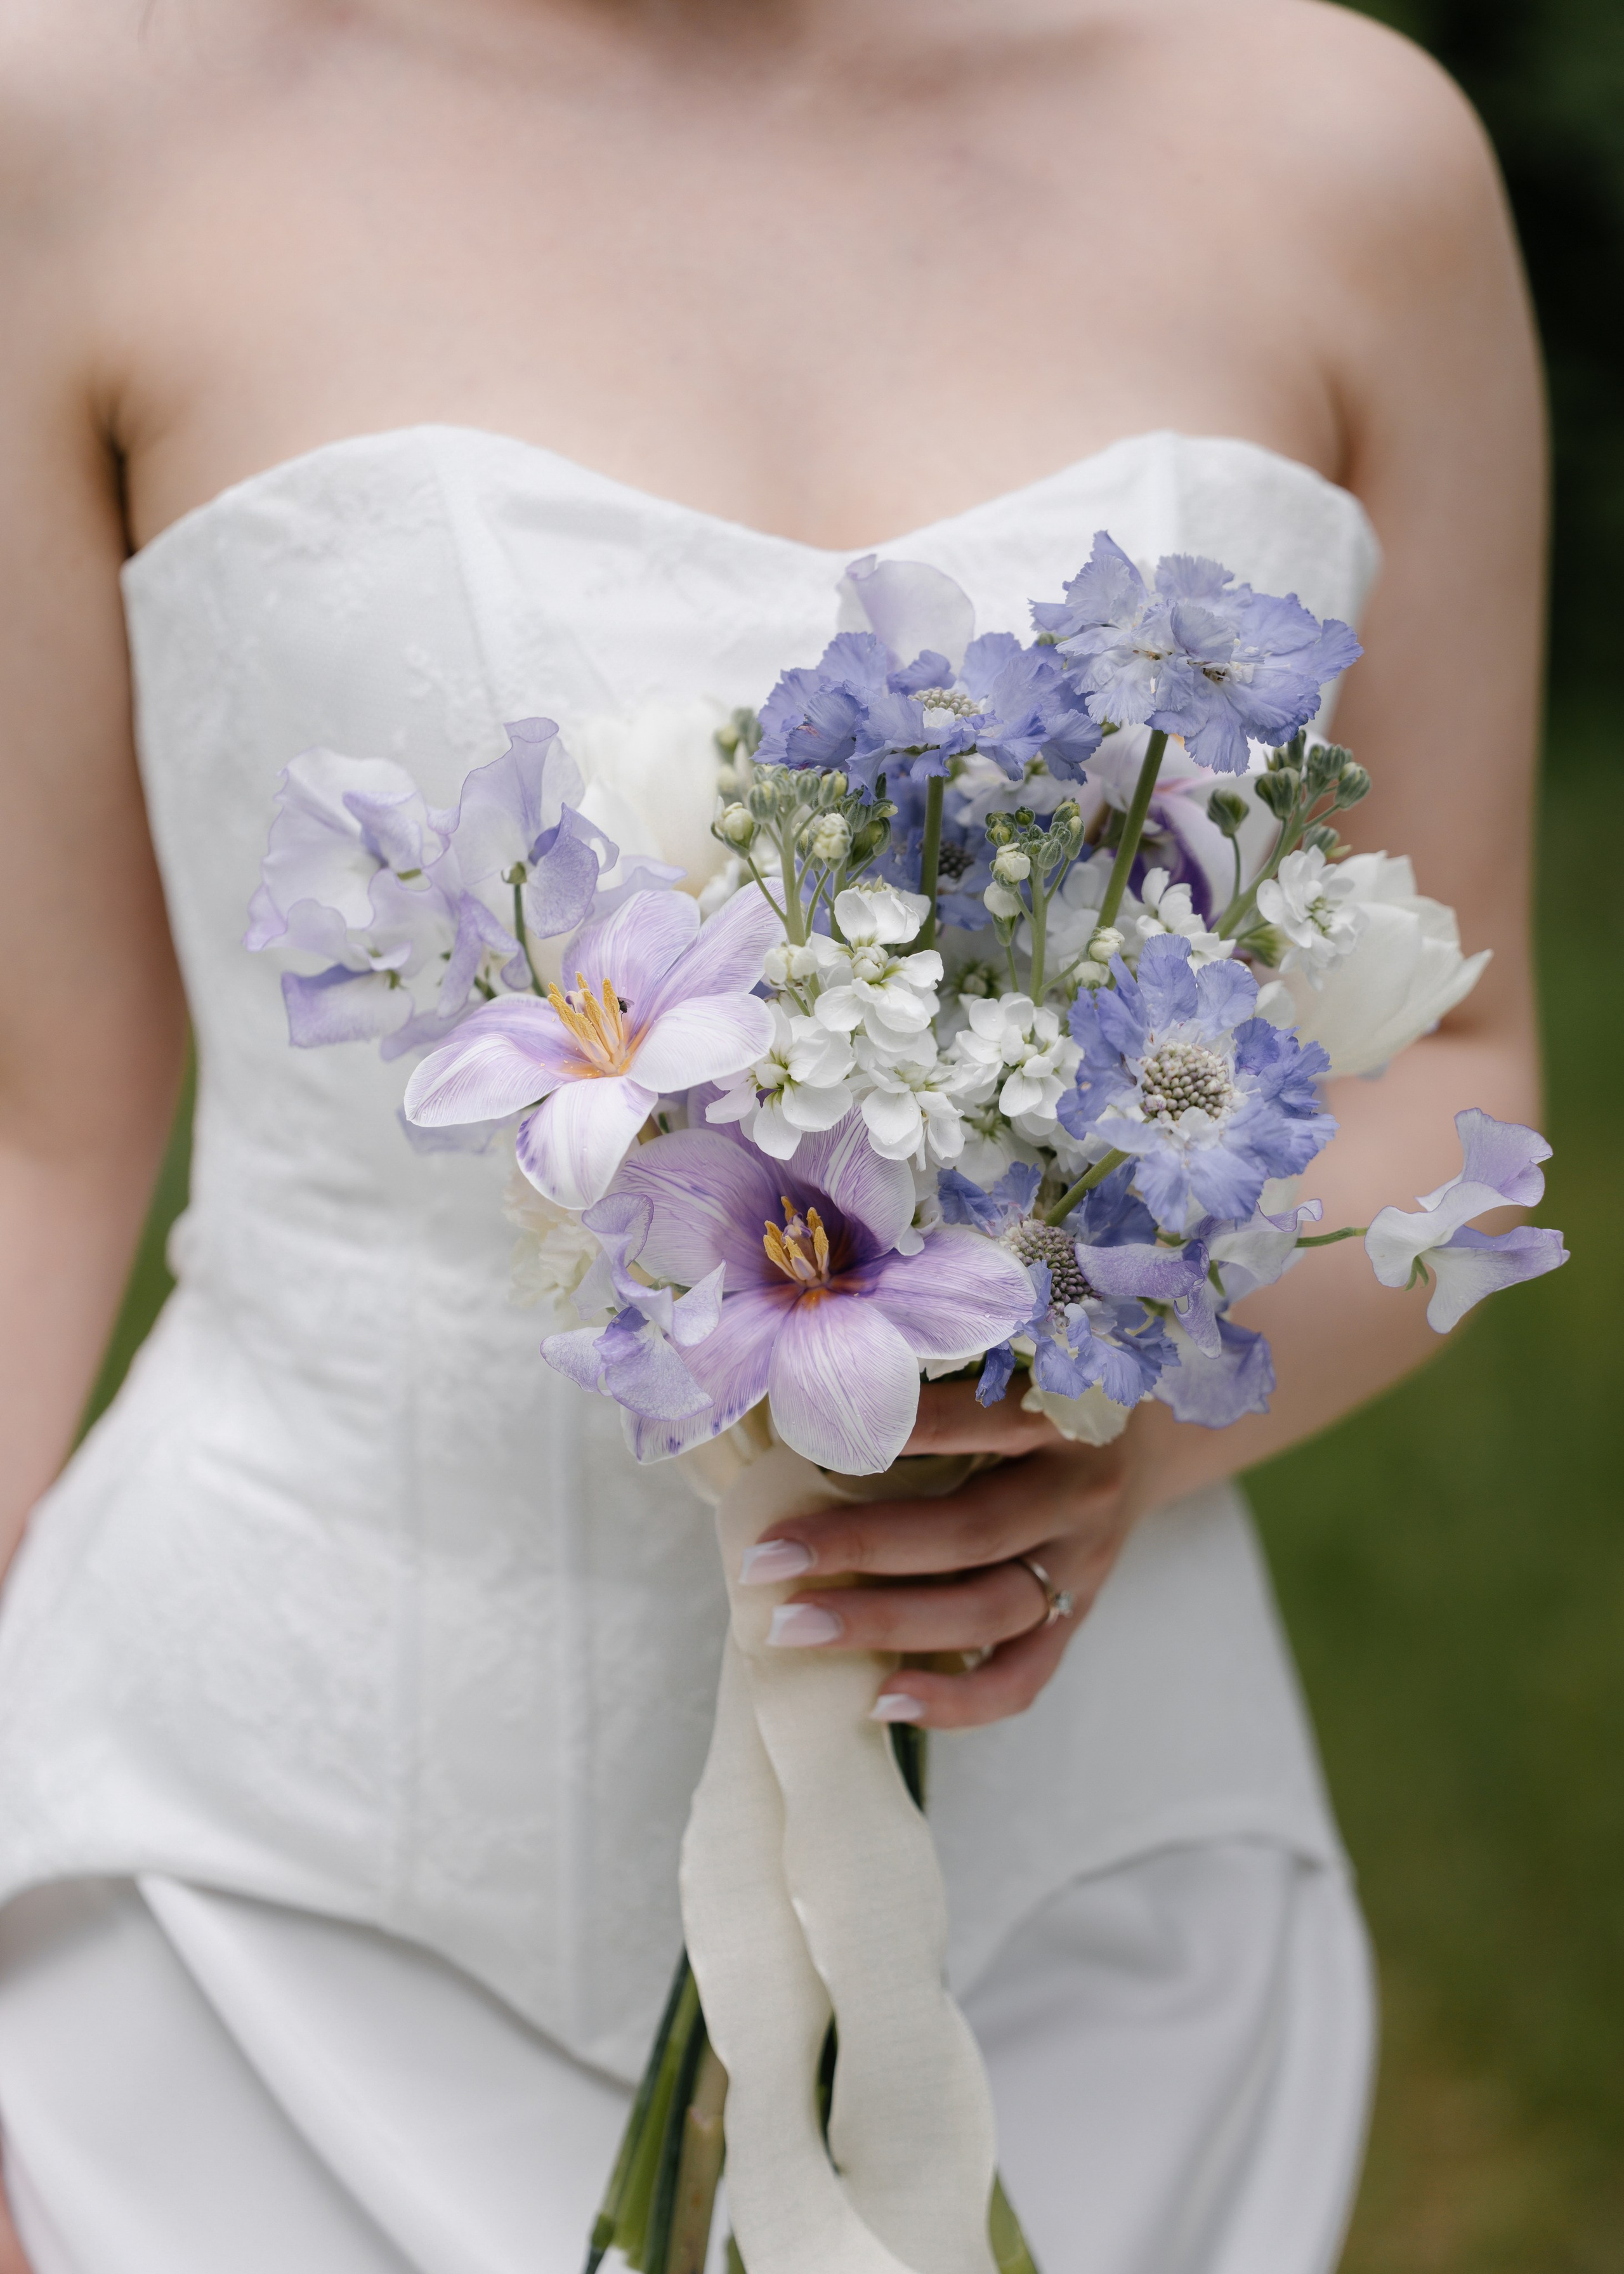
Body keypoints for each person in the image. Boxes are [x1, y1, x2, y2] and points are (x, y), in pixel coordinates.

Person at [0, 0, 1543, 2267]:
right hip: (261, 1901)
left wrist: (1094, 1436)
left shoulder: (1338, 151)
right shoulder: (85, 118)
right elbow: (32, 1134)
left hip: (1086, 1941)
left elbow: (1463, 1074)